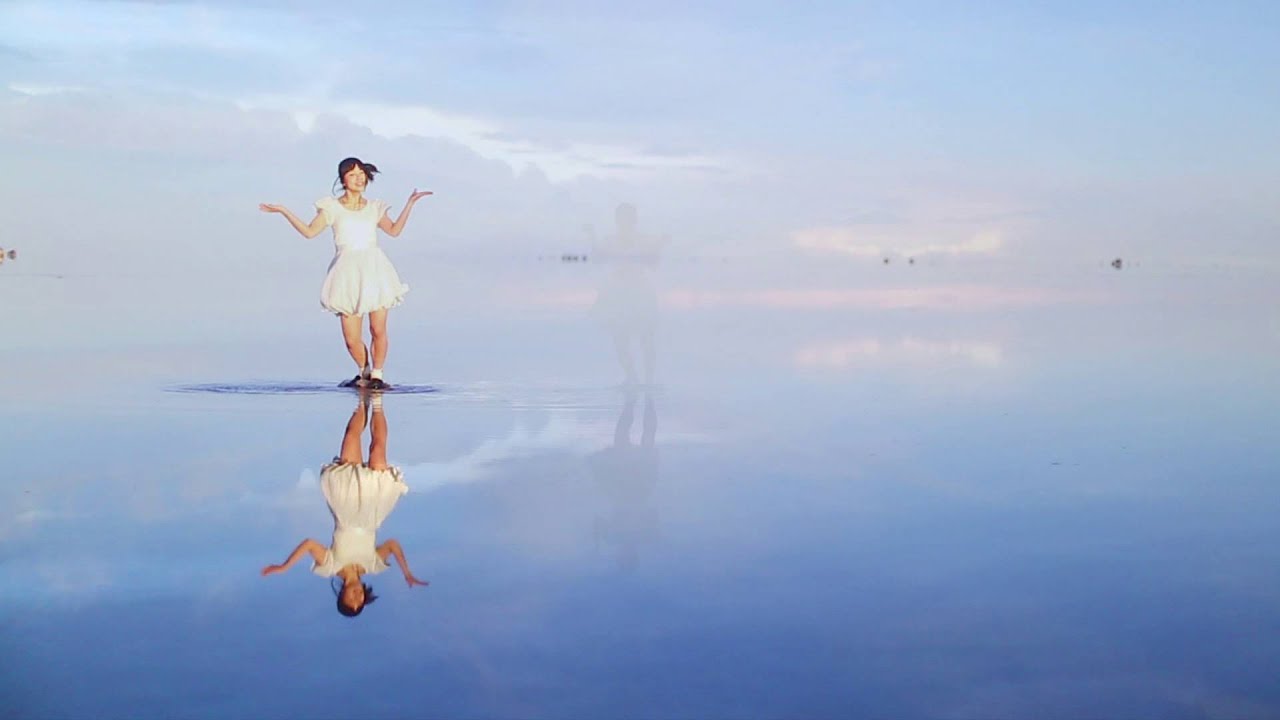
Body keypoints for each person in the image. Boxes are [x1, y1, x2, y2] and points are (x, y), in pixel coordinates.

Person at [260, 157, 432, 389]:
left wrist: (410, 204)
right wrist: (283, 211)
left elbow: (394, 231)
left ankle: (378, 375)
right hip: (346, 272)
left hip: (375, 269)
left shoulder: (374, 207)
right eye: (352, 174)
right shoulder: (331, 207)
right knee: (351, 339)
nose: (359, 178)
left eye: (361, 173)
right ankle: (365, 371)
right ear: (343, 180)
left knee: (377, 328)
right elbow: (310, 232)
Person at [261, 392, 429, 617]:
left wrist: (284, 566)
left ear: (341, 595)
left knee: (351, 437)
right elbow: (392, 545)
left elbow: (310, 544)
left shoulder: (330, 567)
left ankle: (363, 399)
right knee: (378, 450)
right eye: (360, 600)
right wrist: (406, 572)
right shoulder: (372, 566)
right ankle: (377, 401)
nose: (357, 596)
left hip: (346, 501)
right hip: (373, 505)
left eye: (351, 599)